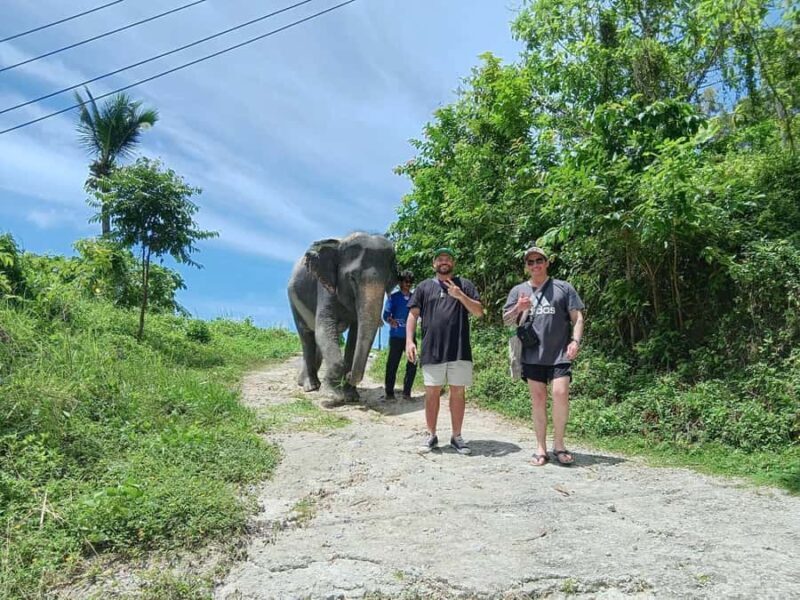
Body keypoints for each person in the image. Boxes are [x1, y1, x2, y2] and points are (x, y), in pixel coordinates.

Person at [503, 246, 585, 466]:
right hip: (532, 354)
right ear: (526, 266)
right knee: (538, 399)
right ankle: (541, 448)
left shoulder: (563, 288)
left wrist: (575, 341)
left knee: (560, 394)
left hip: (560, 353)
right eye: (530, 262)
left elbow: (577, 317)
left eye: (539, 260)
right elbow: (507, 321)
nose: (535, 265)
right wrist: (518, 308)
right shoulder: (519, 290)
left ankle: (559, 445)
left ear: (547, 263)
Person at [406, 248, 483, 454]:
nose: (444, 261)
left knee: (458, 392)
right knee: (432, 392)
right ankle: (431, 435)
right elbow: (413, 315)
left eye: (448, 258)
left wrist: (460, 296)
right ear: (434, 264)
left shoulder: (464, 285)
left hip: (459, 349)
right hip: (432, 348)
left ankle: (457, 437)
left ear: (453, 263)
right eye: (440, 259)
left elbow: (478, 312)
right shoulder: (423, 287)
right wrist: (409, 341)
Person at [383, 270, 417, 400]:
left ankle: (407, 392)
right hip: (396, 336)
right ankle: (389, 393)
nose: (408, 284)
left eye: (410, 282)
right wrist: (390, 320)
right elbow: (386, 315)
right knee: (392, 365)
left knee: (413, 363)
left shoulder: (415, 298)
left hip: (411, 338)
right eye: (406, 281)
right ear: (400, 283)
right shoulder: (393, 297)